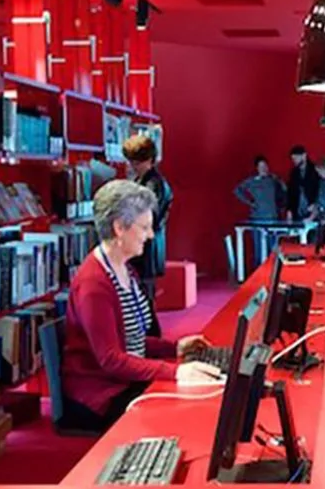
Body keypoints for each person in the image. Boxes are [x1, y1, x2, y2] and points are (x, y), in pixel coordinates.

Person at [59, 180, 222, 432]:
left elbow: (130, 339)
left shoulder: (125, 270)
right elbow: (111, 360)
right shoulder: (93, 284)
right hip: (101, 393)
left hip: (123, 379)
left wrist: (174, 347)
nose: (150, 235)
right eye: (144, 227)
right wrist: (175, 372)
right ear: (119, 228)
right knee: (191, 408)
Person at [123, 134, 169, 297]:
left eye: (137, 162)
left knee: (144, 298)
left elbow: (148, 217)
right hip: (144, 246)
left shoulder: (153, 184)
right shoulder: (142, 180)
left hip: (147, 248)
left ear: (150, 159)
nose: (133, 166)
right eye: (131, 162)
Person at [233, 156, 284, 222]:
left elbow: (284, 191)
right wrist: (250, 202)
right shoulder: (252, 181)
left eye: (265, 166)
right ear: (257, 168)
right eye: (261, 167)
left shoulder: (273, 179)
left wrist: (281, 206)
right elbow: (237, 190)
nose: (263, 169)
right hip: (257, 217)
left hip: (273, 216)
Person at [285, 144, 322, 221]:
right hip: (297, 211)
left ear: (304, 156)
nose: (294, 161)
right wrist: (289, 210)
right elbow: (290, 193)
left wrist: (316, 206)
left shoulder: (315, 171)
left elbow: (320, 191)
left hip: (313, 211)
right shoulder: (294, 173)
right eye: (293, 158)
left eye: (296, 158)